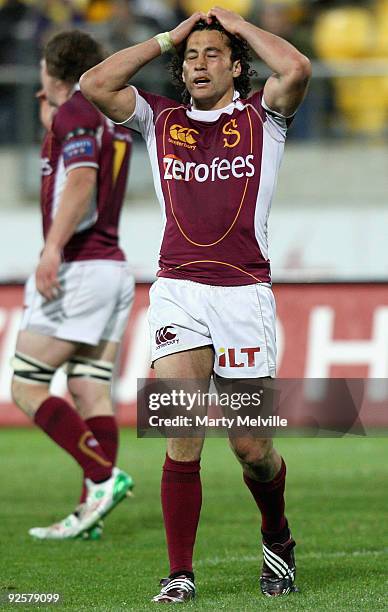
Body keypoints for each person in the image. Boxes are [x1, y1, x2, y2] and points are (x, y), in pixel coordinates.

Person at [80, 6, 311, 600]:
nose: (198, 63)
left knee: (251, 447)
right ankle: (180, 574)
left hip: (244, 295)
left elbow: (297, 65)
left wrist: (238, 23)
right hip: (177, 290)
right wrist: (168, 37)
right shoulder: (160, 119)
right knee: (180, 430)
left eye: (212, 54)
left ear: (237, 67)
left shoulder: (265, 116)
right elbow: (94, 84)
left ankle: (277, 534)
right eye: (191, 57)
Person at [11, 29, 134, 540]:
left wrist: (52, 248)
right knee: (88, 389)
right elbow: (78, 167)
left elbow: (82, 181)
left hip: (81, 267)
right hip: (112, 267)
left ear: (49, 69)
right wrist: (52, 125)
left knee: (26, 384)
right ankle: (92, 513)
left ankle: (103, 479)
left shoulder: (76, 114)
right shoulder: (101, 116)